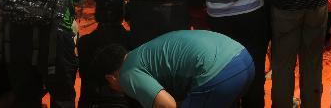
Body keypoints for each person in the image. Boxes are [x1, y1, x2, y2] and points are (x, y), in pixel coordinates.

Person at [94, 30, 254, 108]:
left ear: (111, 78)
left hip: (219, 74)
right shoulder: (142, 53)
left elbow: (168, 106)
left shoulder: (127, 74)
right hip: (244, 59)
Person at [77, 0, 131, 108]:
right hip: (125, 102)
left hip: (92, 102)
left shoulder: (84, 42)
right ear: (122, 13)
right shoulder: (132, 40)